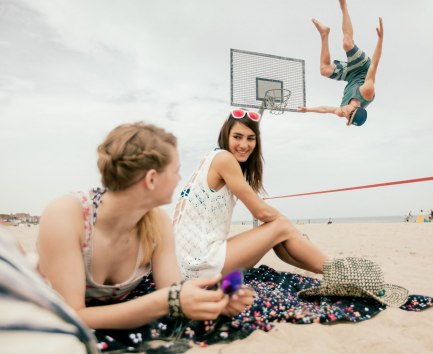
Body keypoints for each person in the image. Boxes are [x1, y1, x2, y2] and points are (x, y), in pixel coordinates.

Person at [37, 122, 254, 348]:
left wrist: (214, 302)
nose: (180, 179)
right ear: (151, 179)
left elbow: (173, 291)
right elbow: (71, 316)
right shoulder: (67, 215)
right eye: (176, 171)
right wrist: (168, 301)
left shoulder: (157, 222)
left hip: (124, 310)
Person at [173, 109, 329, 280]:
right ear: (226, 135)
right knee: (281, 225)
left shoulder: (211, 158)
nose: (244, 145)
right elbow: (261, 212)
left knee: (280, 233)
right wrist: (294, 230)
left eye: (250, 138)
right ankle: (340, 271)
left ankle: (331, 272)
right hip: (198, 266)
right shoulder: (224, 158)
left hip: (183, 263)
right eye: (237, 137)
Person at [297, 0, 384, 127]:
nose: (344, 115)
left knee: (324, 70)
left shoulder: (342, 111)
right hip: (363, 67)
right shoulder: (367, 92)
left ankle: (324, 33)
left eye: (347, 119)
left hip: (350, 76)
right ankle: (343, 6)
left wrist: (308, 109)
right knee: (347, 43)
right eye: (348, 115)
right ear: (355, 108)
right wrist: (380, 40)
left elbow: (326, 109)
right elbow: (374, 65)